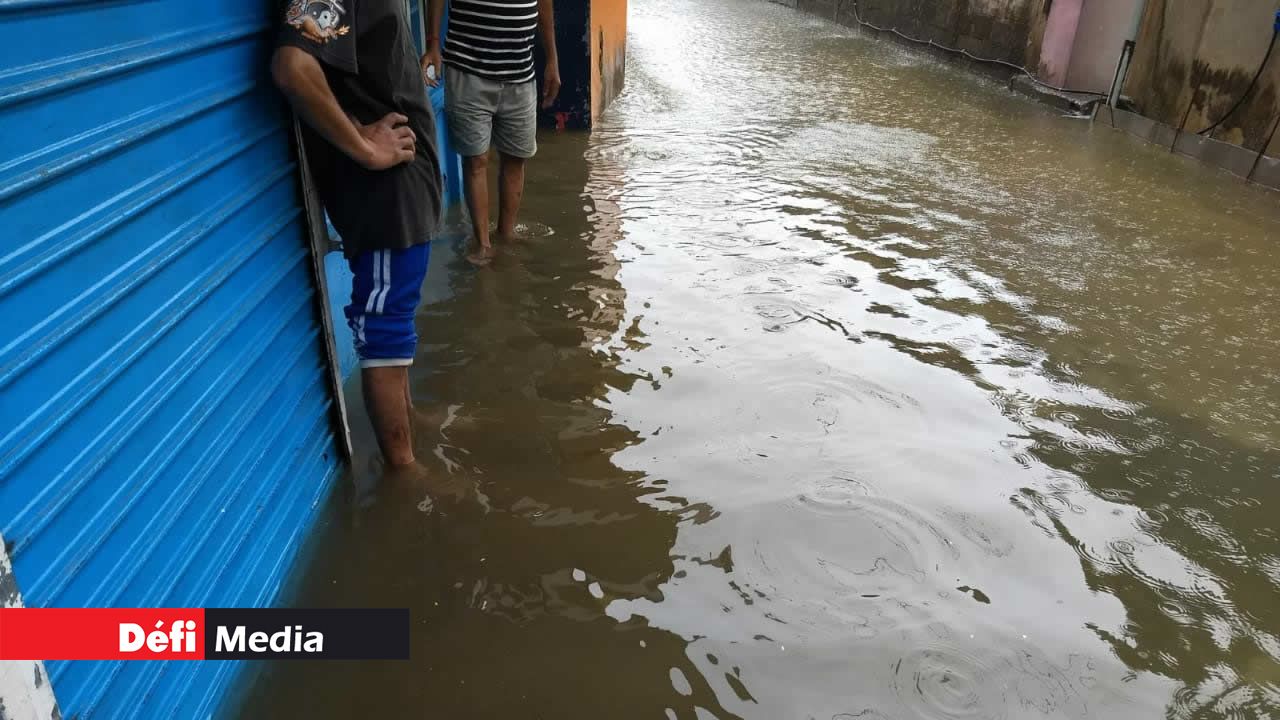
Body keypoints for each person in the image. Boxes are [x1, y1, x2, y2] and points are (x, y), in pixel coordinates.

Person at [272, 0, 442, 478]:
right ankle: (406, 475)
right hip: (386, 200)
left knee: (398, 321)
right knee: (385, 332)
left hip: (405, 193)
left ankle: (407, 419)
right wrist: (366, 147)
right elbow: (293, 66)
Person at [422, 0, 561, 265]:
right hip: (467, 69)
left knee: (516, 158)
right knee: (475, 160)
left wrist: (552, 59)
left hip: (520, 72)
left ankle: (507, 235)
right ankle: (483, 244)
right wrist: (432, 44)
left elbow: (544, 3)